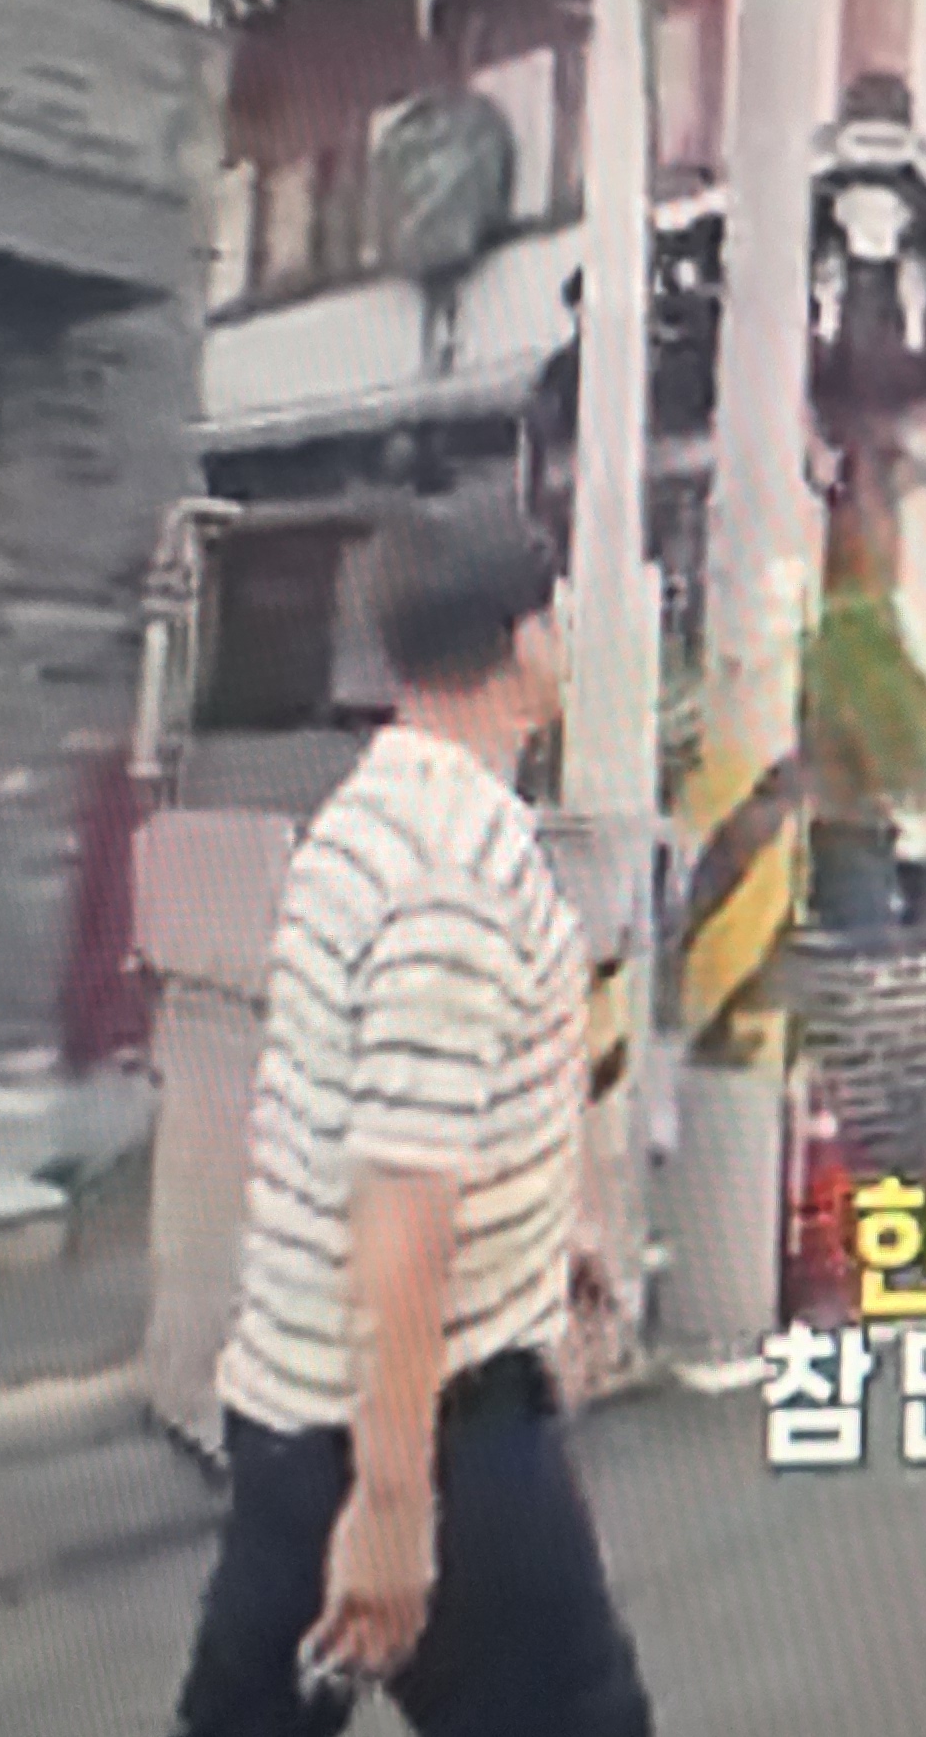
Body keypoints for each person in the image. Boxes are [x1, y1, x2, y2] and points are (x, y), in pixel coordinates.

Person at [174, 494, 651, 1737]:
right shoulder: (458, 861)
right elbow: (407, 1187)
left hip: (301, 1402)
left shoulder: (367, 815)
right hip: (425, 1422)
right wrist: (393, 1501)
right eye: (554, 622)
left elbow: (425, 1104)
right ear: (526, 641)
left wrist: (556, 1236)